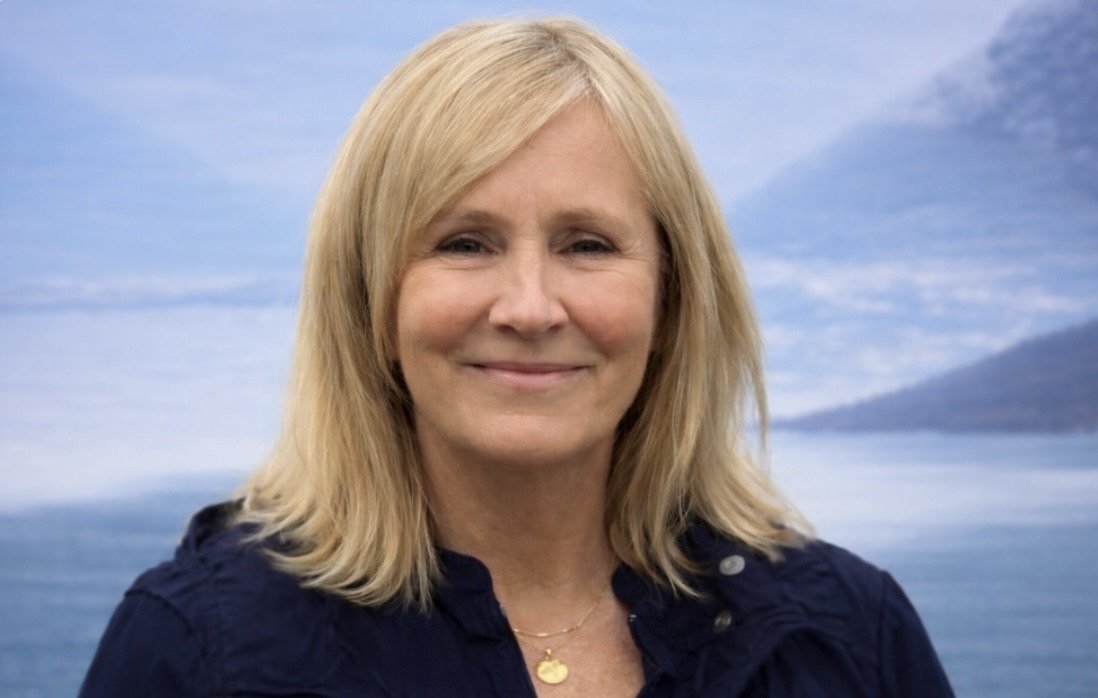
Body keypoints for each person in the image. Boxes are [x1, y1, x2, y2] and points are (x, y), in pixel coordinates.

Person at [80, 17, 953, 697]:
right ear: (370, 299)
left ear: (674, 297)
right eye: (464, 243)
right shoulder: (199, 650)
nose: (530, 308)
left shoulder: (847, 641)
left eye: (587, 245)